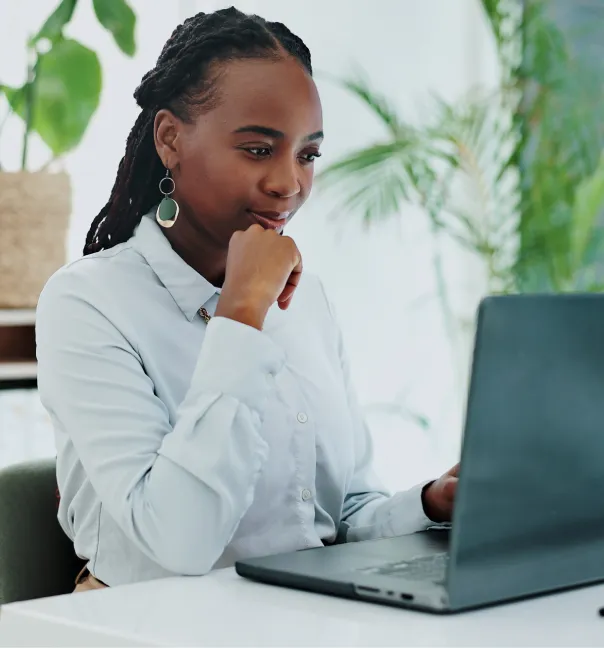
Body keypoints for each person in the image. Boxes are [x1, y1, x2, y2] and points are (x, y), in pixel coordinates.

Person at [36, 7, 458, 593]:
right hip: (146, 625)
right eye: (259, 150)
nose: (289, 183)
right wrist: (241, 315)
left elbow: (340, 518)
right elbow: (177, 544)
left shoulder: (307, 299)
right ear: (170, 138)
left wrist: (431, 504)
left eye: (307, 155)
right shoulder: (87, 304)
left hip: (303, 614)